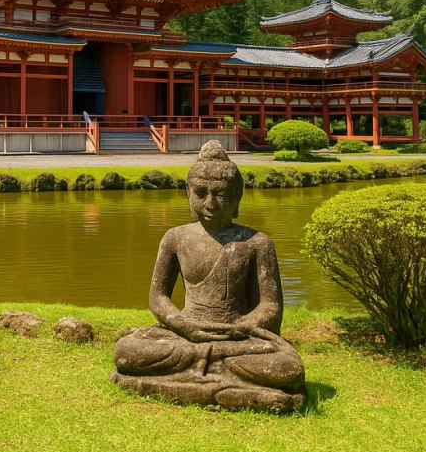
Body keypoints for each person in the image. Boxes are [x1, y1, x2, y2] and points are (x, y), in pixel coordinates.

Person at [111, 140, 306, 412]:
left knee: (287, 368)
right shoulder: (176, 238)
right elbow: (158, 297)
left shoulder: (256, 242)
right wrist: (183, 325)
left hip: (236, 339)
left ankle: (184, 382)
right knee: (127, 352)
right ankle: (225, 387)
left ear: (237, 195)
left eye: (221, 194)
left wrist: (240, 328)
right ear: (188, 193)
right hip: (186, 336)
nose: (210, 203)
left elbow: (270, 306)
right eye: (201, 193)